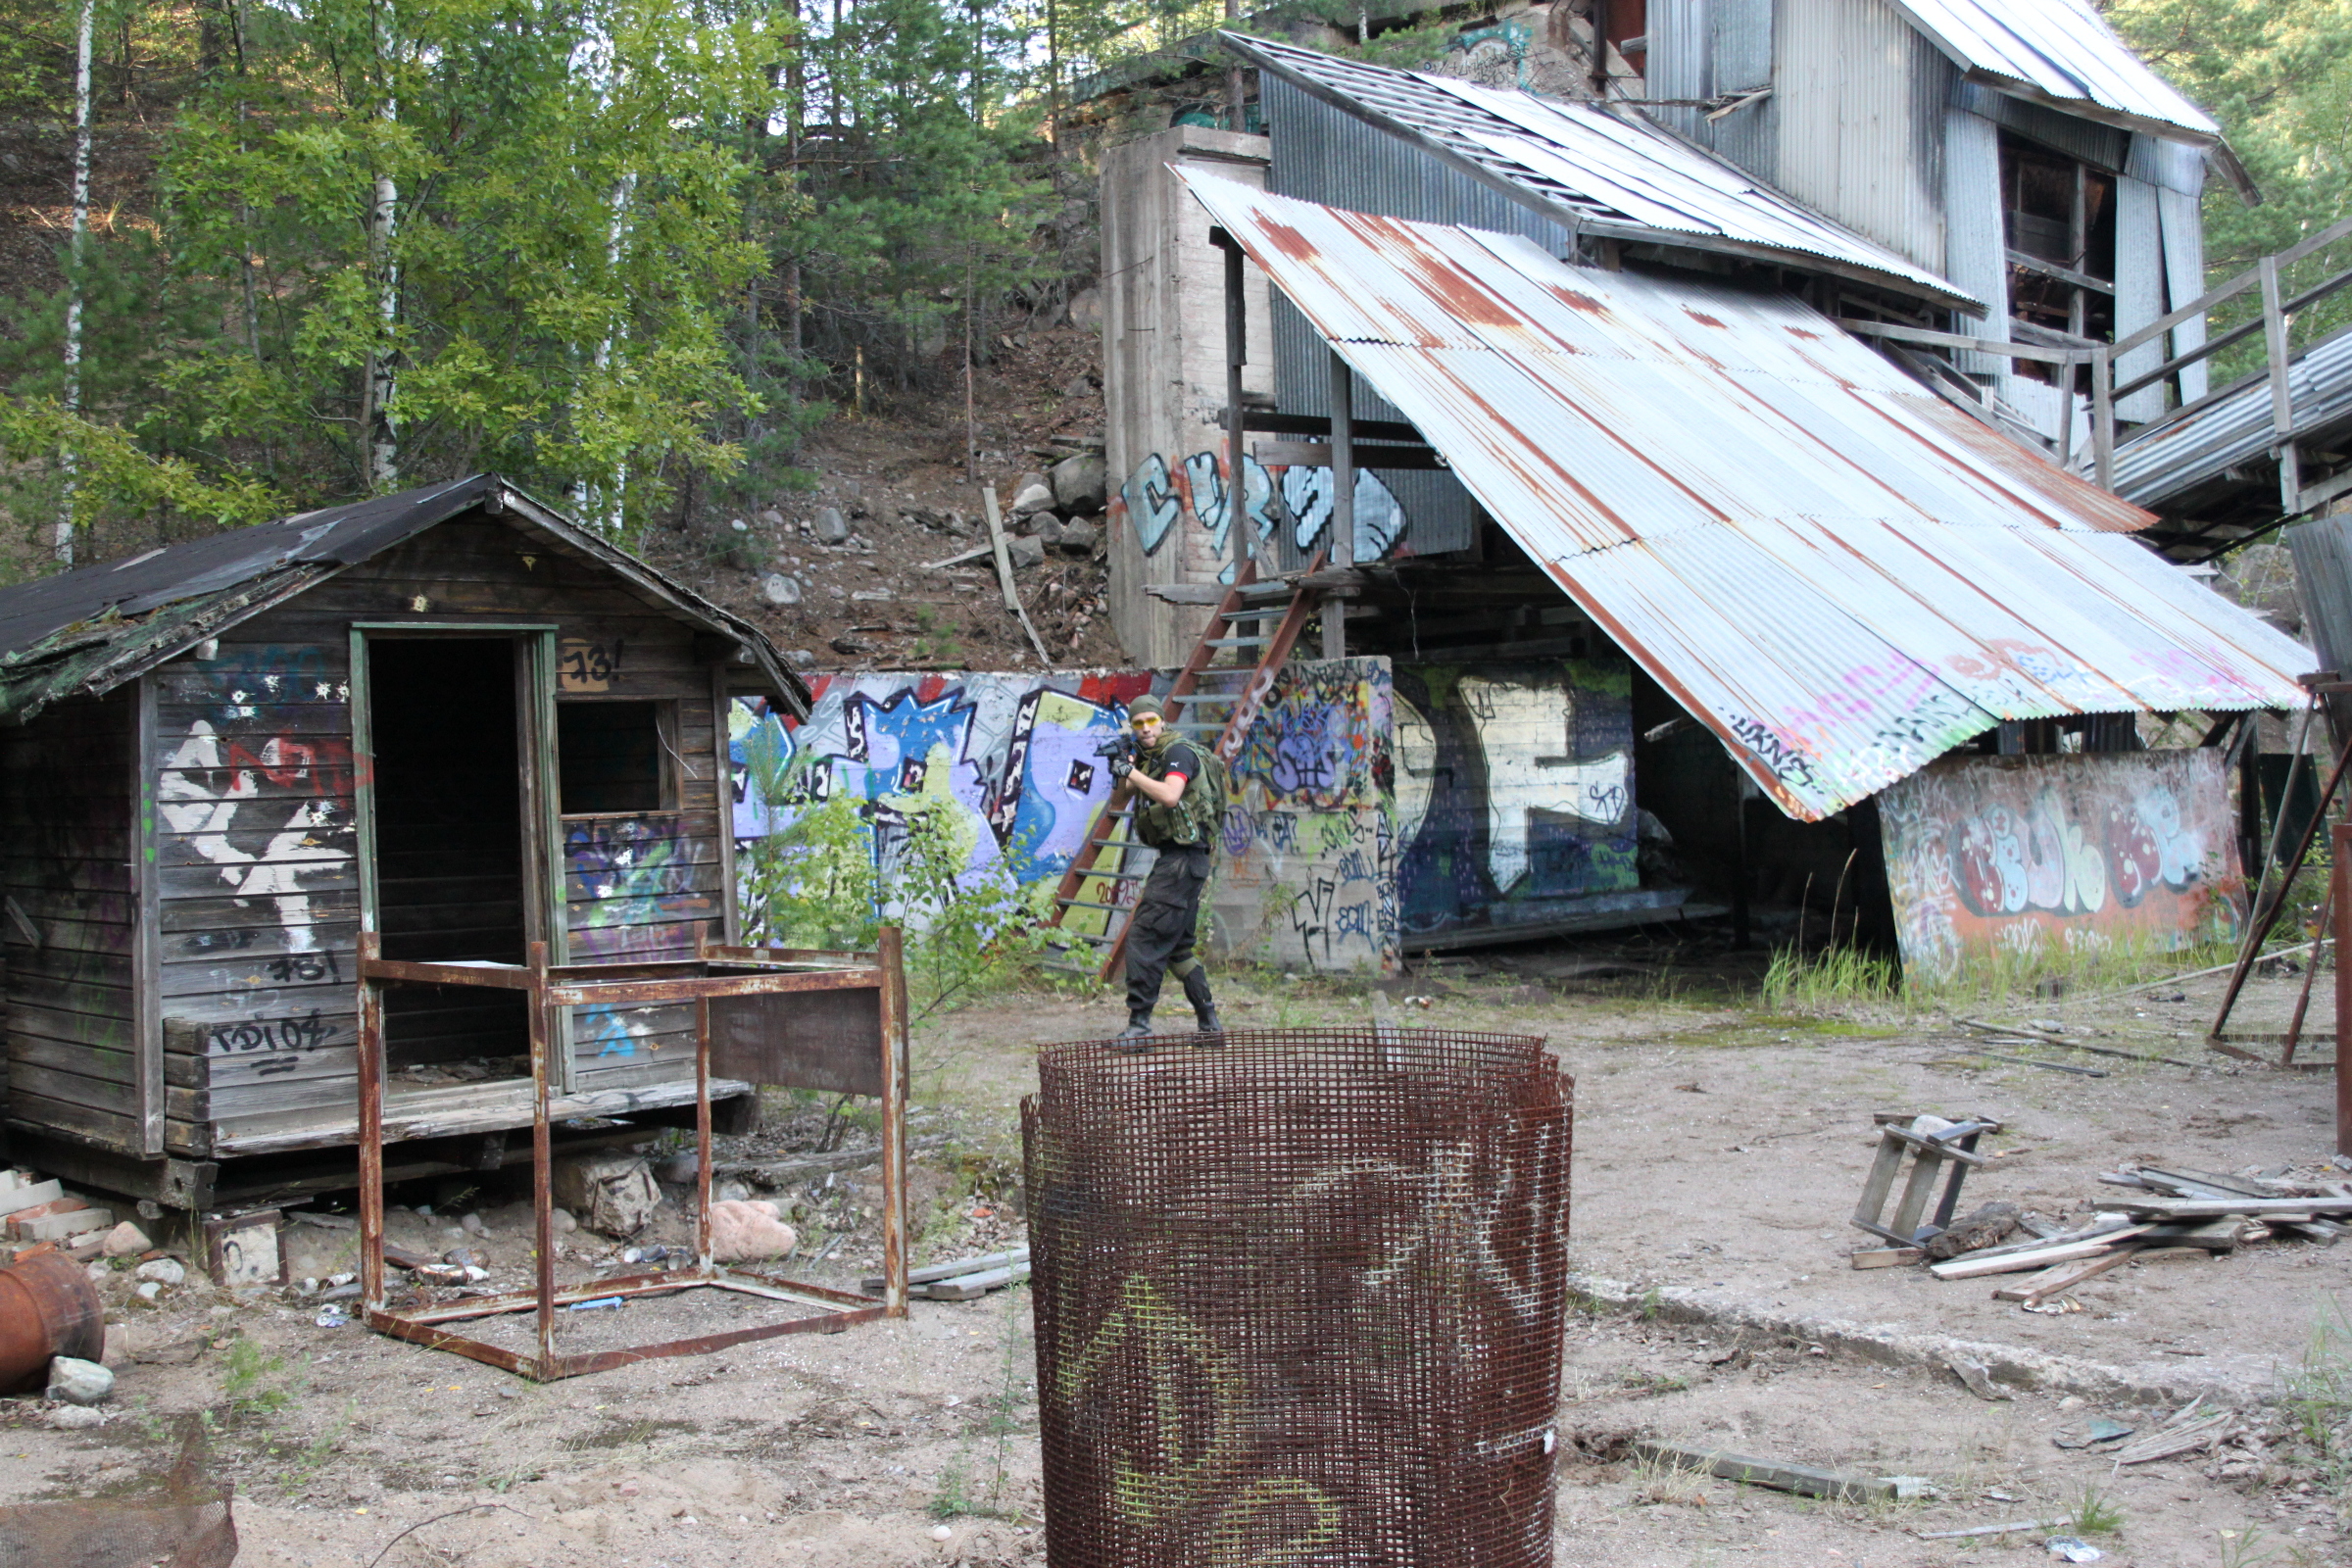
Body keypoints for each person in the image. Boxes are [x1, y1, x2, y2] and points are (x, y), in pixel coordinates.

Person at [1116, 694, 1222, 1043]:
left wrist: (1132, 771)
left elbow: (1170, 795)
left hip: (1182, 860)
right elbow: (1121, 798)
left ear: (1162, 721)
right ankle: (1210, 1025)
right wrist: (1123, 768)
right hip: (1184, 861)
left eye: (1151, 721)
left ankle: (1139, 1027)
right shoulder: (1151, 758)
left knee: (1144, 937)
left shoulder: (1177, 753)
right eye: (1138, 723)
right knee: (1178, 948)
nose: (1146, 728)